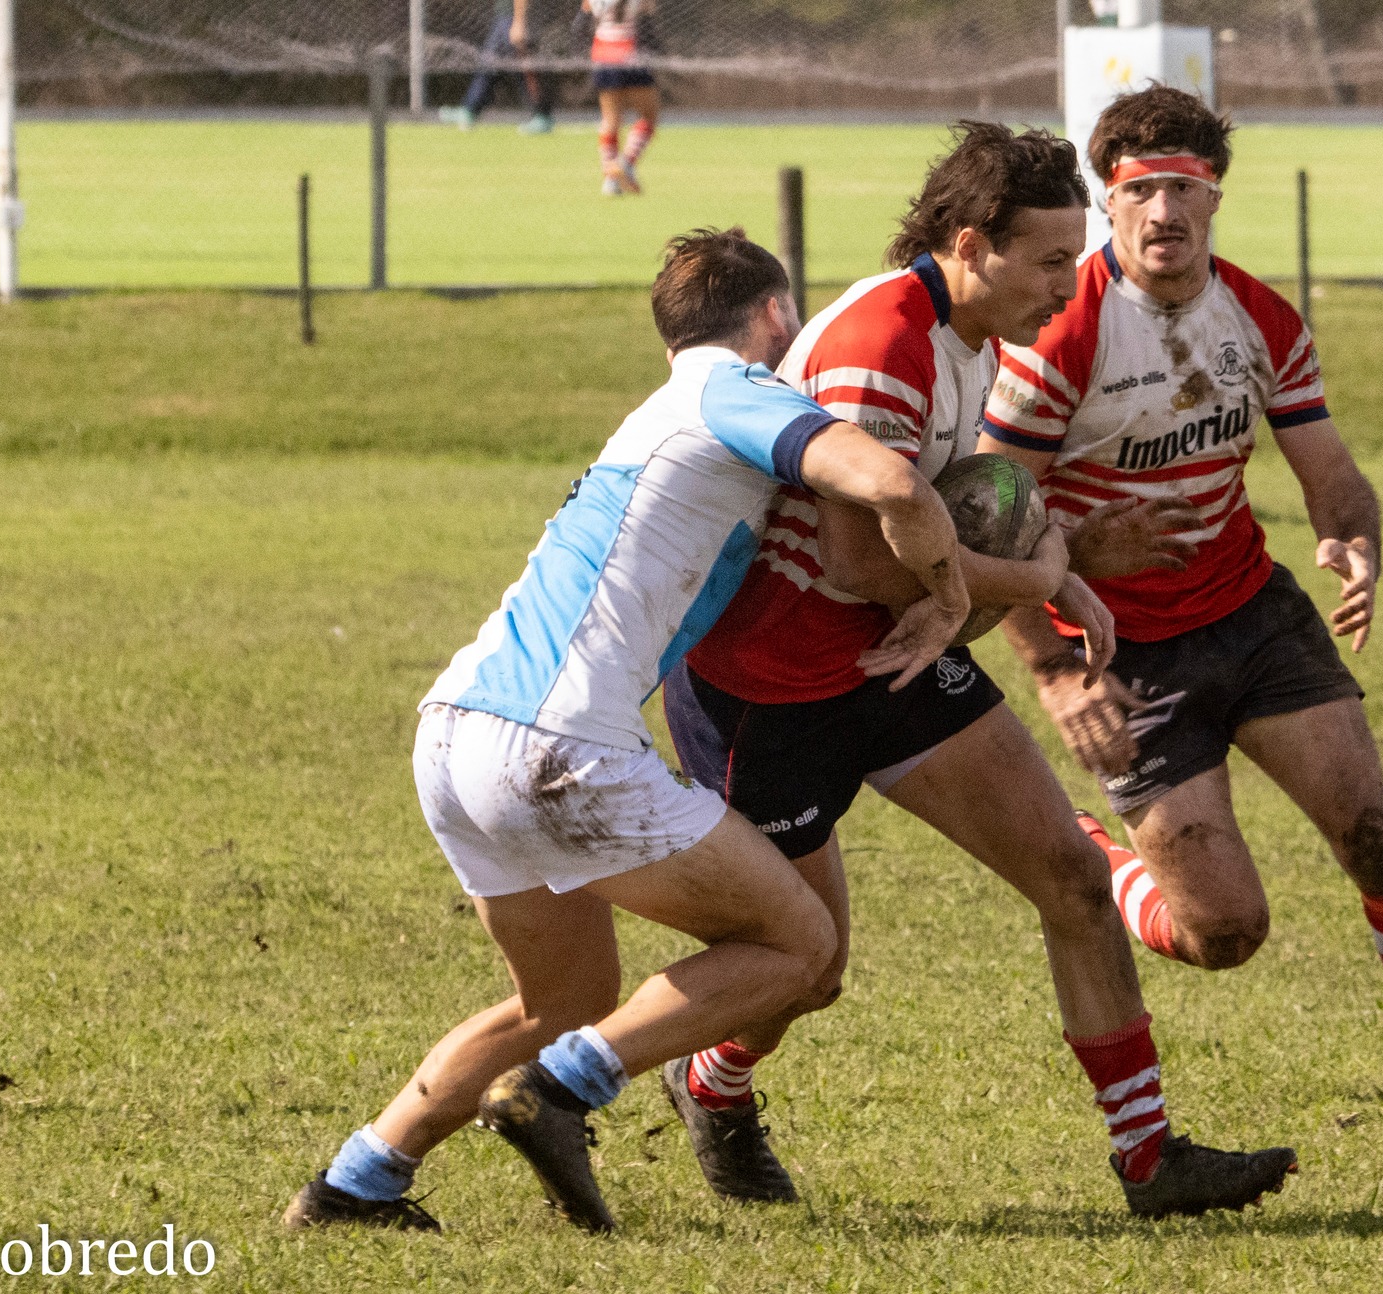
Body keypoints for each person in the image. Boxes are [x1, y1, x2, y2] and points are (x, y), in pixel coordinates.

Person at [661, 123, 1299, 1221]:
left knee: (1069, 876)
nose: (1070, 279)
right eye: (1050, 259)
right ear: (970, 244)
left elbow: (977, 500)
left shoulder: (978, 334)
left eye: (1072, 253)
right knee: (801, 970)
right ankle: (700, 1080)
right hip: (773, 690)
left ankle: (1149, 1160)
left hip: (896, 662)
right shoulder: (882, 341)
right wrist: (1031, 575)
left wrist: (1057, 575)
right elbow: (865, 559)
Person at [283, 228, 973, 1235]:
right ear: (773, 317)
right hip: (558, 744)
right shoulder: (732, 388)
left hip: (452, 734)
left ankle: (356, 1181)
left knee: (560, 997)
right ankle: (557, 1092)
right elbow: (893, 486)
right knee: (800, 944)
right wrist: (950, 592)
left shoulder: (656, 410)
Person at [978, 84, 1383, 1107]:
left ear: (1213, 201)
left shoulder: (1256, 314)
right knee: (1221, 934)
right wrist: (1059, 671)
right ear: (1106, 205)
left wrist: (1350, 535)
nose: (1164, 212)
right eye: (1141, 189)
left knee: (1374, 834)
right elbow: (990, 516)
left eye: (1184, 190)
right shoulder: (1059, 331)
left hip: (1252, 616)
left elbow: (1327, 468)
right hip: (1123, 654)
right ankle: (1103, 854)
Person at [440, 0, 558, 135]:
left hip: (514, 17)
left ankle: (542, 115)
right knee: (489, 64)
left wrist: (519, 22)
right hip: (504, 17)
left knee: (523, 65)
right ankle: (469, 109)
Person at [583, 0, 659, 195]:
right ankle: (625, 163)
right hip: (628, 52)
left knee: (610, 119)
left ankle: (610, 181)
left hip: (602, 52)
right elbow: (649, 9)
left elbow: (586, 12)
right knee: (649, 116)